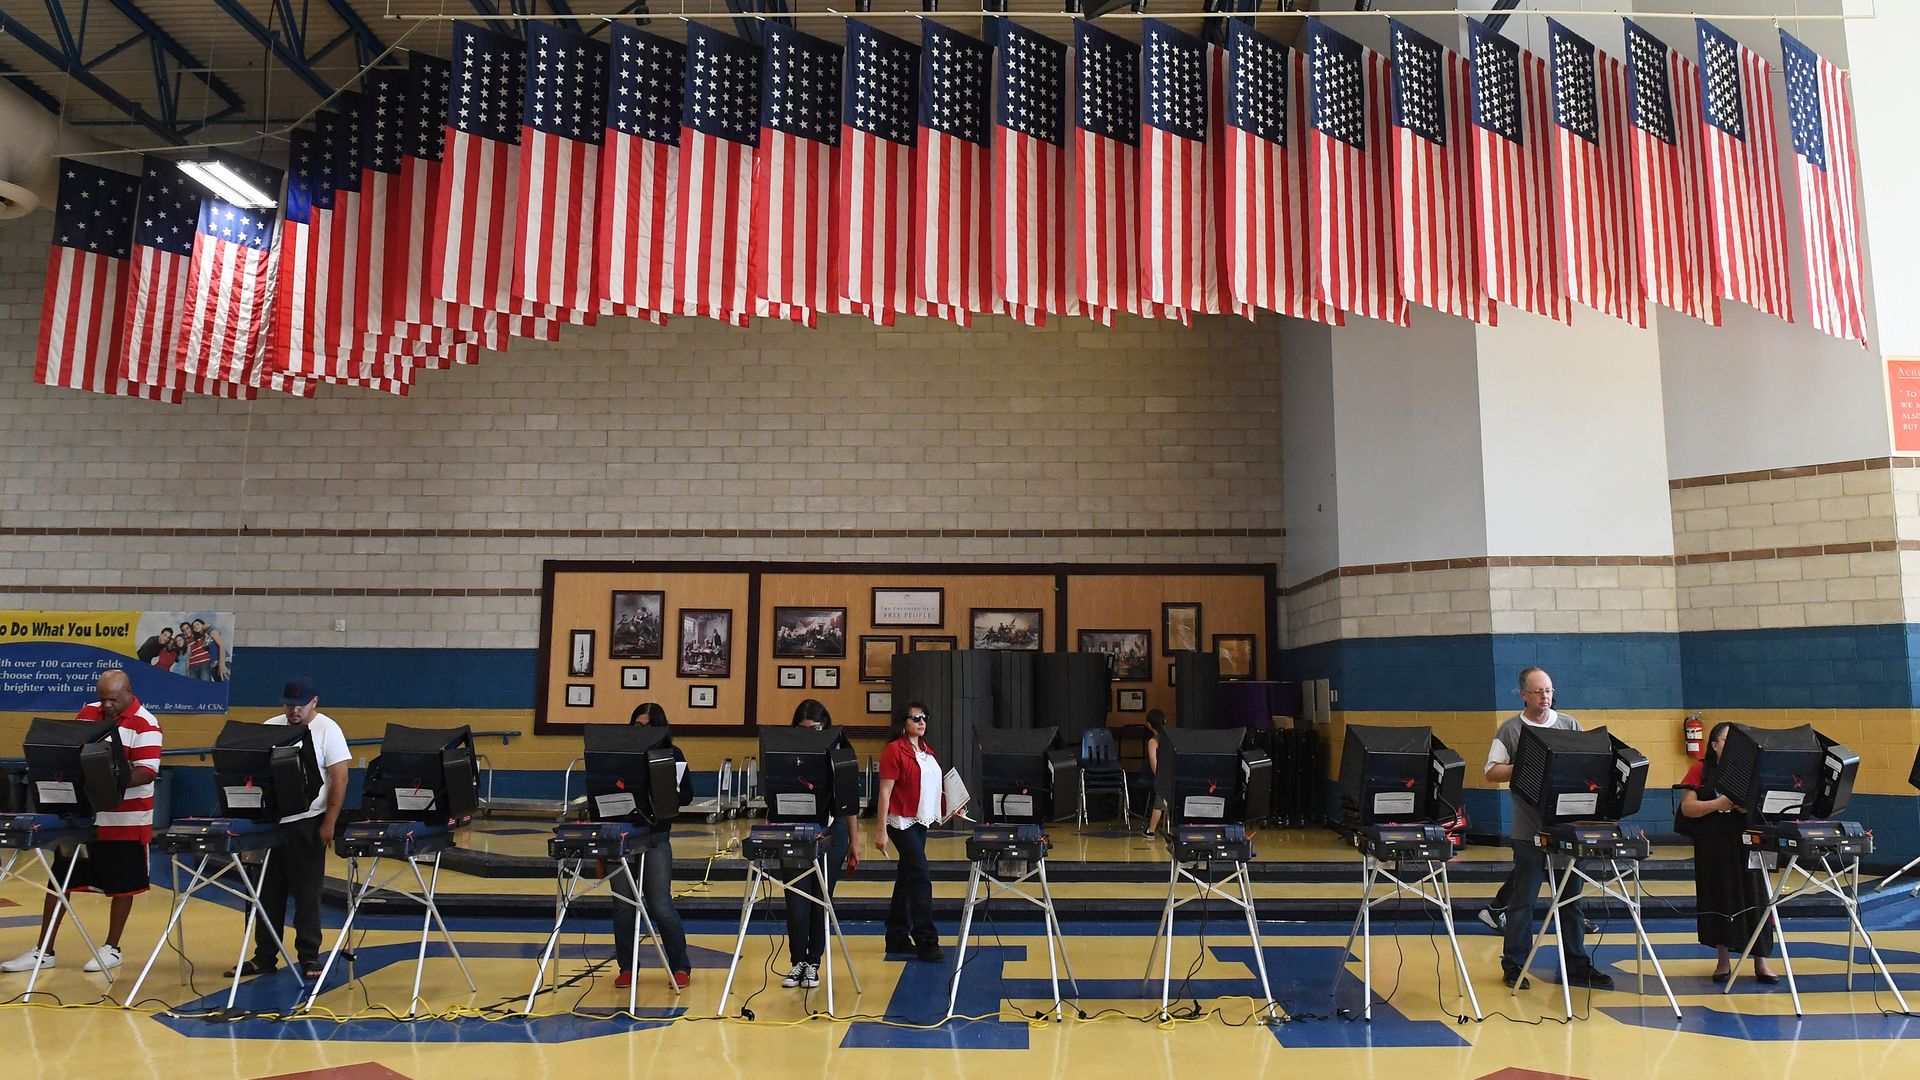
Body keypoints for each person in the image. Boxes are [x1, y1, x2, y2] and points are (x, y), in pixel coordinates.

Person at [2, 669, 163, 975]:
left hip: (125, 818)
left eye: (113, 699)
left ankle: (112, 947)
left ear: (129, 692)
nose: (107, 705)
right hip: (83, 815)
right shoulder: (89, 712)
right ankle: (44, 950)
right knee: (60, 880)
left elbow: (147, 770)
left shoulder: (146, 723)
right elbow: (69, 750)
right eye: (103, 698)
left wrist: (111, 779)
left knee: (123, 884)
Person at [1484, 667, 1612, 991]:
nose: (1545, 697)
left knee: (1571, 899)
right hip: (1528, 830)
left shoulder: (1570, 725)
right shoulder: (1511, 730)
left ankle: (1577, 964)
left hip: (1568, 829)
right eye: (1538, 691)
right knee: (1523, 900)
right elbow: (1491, 771)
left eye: (1549, 690)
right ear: (1524, 694)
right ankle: (1514, 963)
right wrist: (1528, 766)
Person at [228, 676, 352, 980]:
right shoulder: (271, 726)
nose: (293, 710)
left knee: (307, 894)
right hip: (273, 824)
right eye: (288, 704)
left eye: (300, 705)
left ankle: (309, 957)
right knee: (267, 893)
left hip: (308, 823)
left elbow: (340, 778)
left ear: (314, 702)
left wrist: (329, 823)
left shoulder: (328, 729)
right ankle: (264, 956)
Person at [1680, 722, 1779, 984]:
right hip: (1714, 845)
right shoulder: (1700, 769)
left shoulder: (1754, 772)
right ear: (1714, 745)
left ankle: (1762, 961)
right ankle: (1722, 960)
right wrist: (1719, 804)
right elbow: (1688, 808)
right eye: (1726, 740)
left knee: (1757, 897)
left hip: (1749, 843)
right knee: (1718, 897)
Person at [610, 702, 693, 991]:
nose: (641, 730)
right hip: (622, 835)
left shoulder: (674, 754)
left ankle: (680, 965)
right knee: (623, 906)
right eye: (637, 725)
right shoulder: (618, 753)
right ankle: (627, 967)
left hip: (656, 836)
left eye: (648, 725)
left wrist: (667, 792)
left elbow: (686, 798)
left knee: (660, 904)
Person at [781, 699, 860, 989]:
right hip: (796, 829)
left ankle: (813, 962)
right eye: (803, 729)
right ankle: (796, 961)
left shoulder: (840, 750)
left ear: (825, 725)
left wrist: (855, 840)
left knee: (821, 900)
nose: (810, 734)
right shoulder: (786, 749)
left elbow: (848, 802)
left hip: (833, 831)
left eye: (815, 728)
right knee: (796, 900)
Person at [874, 701, 946, 962]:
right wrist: (880, 830)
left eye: (924, 717)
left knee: (907, 877)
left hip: (920, 821)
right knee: (919, 876)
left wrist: (949, 806)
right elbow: (884, 792)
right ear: (902, 723)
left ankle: (896, 936)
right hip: (900, 821)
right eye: (915, 718)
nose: (921, 722)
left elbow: (931, 787)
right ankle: (926, 939)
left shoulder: (927, 752)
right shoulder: (894, 751)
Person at [1141, 710, 1170, 839]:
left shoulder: (1153, 741)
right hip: (1174, 772)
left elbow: (1154, 761)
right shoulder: (1171, 737)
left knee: (1159, 801)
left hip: (1163, 774)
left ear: (1149, 724)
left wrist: (1158, 776)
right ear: (1165, 721)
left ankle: (1151, 830)